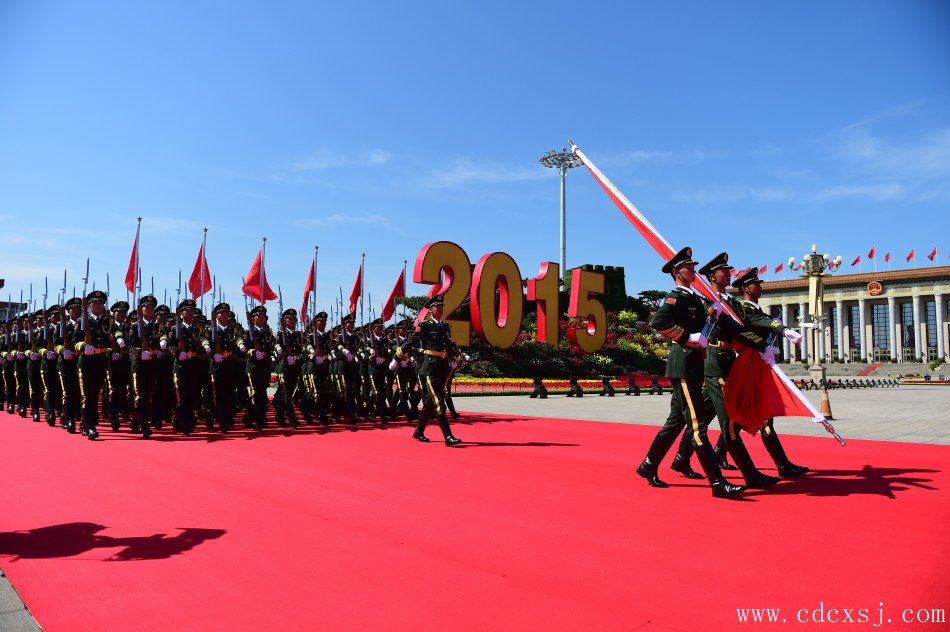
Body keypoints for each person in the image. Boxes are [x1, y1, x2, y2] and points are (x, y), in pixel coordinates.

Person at [635, 247, 744, 498]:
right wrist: (687, 337)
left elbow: (705, 324)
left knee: (676, 421)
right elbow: (658, 322)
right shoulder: (675, 298)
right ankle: (717, 483)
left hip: (694, 364)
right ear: (677, 272)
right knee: (697, 425)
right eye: (689, 267)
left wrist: (710, 320)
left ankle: (649, 465)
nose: (693, 270)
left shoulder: (694, 298)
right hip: (683, 365)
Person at [733, 267, 809, 478]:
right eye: (756, 283)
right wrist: (783, 330)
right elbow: (763, 323)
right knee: (750, 418)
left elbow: (765, 321)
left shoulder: (755, 310)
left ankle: (710, 454)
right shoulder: (745, 310)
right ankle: (783, 465)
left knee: (737, 419)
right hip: (748, 369)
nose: (760, 286)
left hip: (758, 367)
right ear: (745, 288)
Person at [395, 294, 461, 446]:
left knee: (430, 402)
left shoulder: (445, 326)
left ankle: (418, 431)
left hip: (443, 366)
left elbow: (449, 345)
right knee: (439, 401)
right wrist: (396, 357)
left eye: (442, 306)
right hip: (430, 367)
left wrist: (452, 358)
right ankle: (448, 436)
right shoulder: (425, 326)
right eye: (437, 307)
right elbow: (410, 343)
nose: (440, 309)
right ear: (430, 310)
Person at [72, 290, 113, 440]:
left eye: (101, 303)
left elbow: (110, 340)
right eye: (95, 303)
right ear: (89, 305)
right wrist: (83, 346)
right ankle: (90, 427)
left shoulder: (107, 321)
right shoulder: (82, 321)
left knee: (96, 395)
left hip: (101, 360)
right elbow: (74, 342)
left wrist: (113, 348)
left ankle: (85, 423)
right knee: (87, 396)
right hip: (87, 362)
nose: (99, 305)